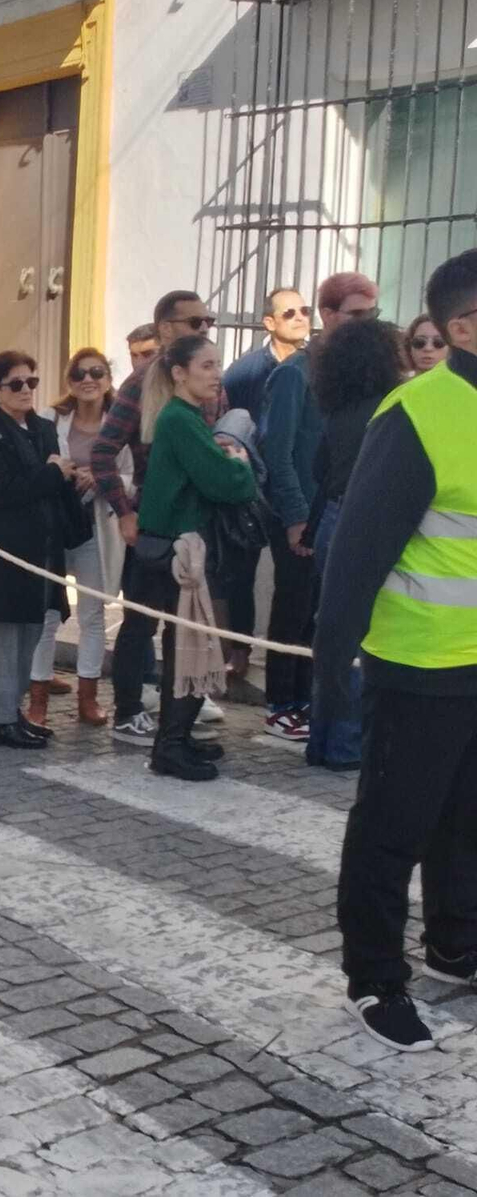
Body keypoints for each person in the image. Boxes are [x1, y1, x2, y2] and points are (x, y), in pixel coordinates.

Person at [316, 248, 477, 1053]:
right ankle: (375, 979)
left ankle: (456, 945)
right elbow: (356, 556)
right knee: (393, 824)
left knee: (468, 820)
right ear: (463, 327)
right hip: (418, 666)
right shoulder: (417, 414)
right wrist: (329, 674)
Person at [92, 289, 225, 747]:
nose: (203, 329)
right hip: (153, 521)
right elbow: (103, 451)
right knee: (142, 620)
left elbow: (217, 441)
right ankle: (128, 709)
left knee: (187, 623)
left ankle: (177, 715)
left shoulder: (209, 382)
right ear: (166, 328)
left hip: (196, 523)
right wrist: (124, 512)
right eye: (194, 323)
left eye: (207, 322)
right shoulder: (142, 382)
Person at [259, 271, 380, 744]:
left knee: (321, 613)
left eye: (371, 314)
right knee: (293, 608)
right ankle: (281, 704)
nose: (365, 322)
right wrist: (295, 518)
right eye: (355, 314)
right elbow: (278, 451)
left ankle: (310, 700)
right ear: (328, 315)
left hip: (334, 510)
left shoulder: (353, 369)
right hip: (300, 514)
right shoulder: (293, 374)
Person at [134, 334, 257, 781]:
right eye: (206, 365)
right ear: (179, 374)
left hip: (181, 545)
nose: (216, 373)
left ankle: (177, 736)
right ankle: (170, 745)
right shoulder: (180, 420)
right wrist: (240, 461)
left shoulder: (183, 417)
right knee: (186, 644)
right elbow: (225, 482)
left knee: (189, 642)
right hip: (178, 548)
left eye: (217, 364)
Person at [0, 351, 81, 750]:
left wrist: (61, 475)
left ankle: (12, 712)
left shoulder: (43, 428)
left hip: (43, 549)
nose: (26, 390)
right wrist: (52, 472)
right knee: (7, 640)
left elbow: (48, 484)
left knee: (33, 633)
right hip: (6, 553)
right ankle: (0, 720)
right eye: (16, 383)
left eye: (31, 381)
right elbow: (1, 493)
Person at [303, 317, 403, 771]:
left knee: (333, 632)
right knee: (366, 637)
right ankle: (347, 745)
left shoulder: (338, 408)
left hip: (331, 519)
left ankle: (322, 741)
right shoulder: (394, 407)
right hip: (368, 520)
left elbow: (319, 471)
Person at [30, 350, 129, 728]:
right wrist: (63, 471)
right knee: (48, 613)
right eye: (79, 374)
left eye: (97, 373)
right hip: (55, 527)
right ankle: (37, 698)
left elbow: (133, 476)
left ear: (107, 379)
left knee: (92, 614)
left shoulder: (121, 424)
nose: (88, 380)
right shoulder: (49, 419)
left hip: (96, 527)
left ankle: (88, 697)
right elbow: (37, 464)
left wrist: (101, 478)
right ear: (69, 381)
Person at [221, 287, 309, 418]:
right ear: (270, 323)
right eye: (289, 313)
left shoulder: (324, 366)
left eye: (305, 311)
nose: (300, 318)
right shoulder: (243, 373)